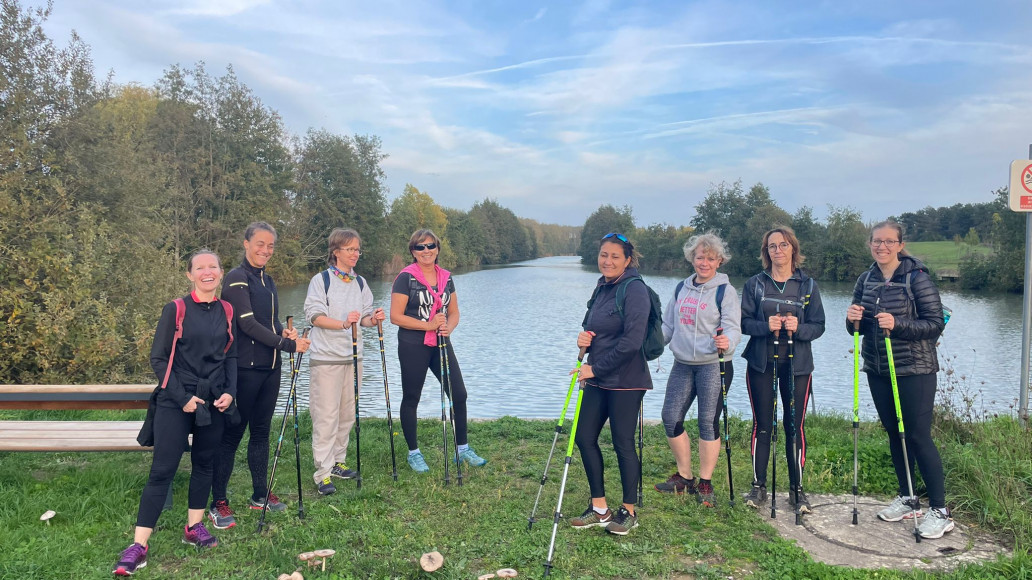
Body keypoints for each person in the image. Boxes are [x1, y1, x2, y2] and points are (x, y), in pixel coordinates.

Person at [114, 250, 238, 576]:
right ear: (190, 274)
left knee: (204, 464)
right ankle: (138, 546)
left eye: (213, 266)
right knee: (162, 470)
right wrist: (182, 398)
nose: (207, 272)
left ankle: (193, 528)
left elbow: (231, 357)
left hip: (213, 400)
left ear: (220, 271)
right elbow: (158, 358)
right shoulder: (176, 309)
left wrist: (230, 392)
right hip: (176, 398)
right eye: (200, 268)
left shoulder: (227, 310)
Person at [845, 221, 952, 539]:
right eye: (877, 241)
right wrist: (852, 320)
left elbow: (934, 323)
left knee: (918, 436)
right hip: (878, 367)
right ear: (870, 244)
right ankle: (908, 498)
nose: (882, 247)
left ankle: (940, 511)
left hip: (915, 369)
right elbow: (857, 329)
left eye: (889, 241)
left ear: (900, 245)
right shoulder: (866, 279)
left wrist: (898, 324)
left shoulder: (917, 278)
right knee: (895, 433)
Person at [210, 222, 310, 529]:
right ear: (246, 244)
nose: (265, 250)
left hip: (270, 368)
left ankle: (259, 494)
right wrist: (288, 344)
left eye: (270, 246)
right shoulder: (236, 278)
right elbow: (248, 324)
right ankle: (218, 501)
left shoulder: (268, 280)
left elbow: (270, 321)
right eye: (260, 244)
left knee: (261, 432)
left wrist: (283, 331)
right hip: (244, 369)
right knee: (232, 434)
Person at [567, 232, 652, 536]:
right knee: (584, 436)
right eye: (604, 254)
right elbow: (594, 327)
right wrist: (584, 339)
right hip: (597, 375)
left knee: (623, 443)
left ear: (627, 260)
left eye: (615, 256)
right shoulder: (602, 286)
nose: (608, 261)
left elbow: (632, 342)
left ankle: (628, 511)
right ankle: (600, 508)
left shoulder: (635, 289)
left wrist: (594, 369)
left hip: (627, 380)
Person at [740, 226, 825, 512]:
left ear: (793, 249)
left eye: (783, 245)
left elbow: (819, 326)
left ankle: (797, 490)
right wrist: (766, 326)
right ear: (766, 252)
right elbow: (743, 323)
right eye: (772, 246)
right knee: (762, 424)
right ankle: (758, 486)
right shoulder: (755, 284)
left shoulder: (808, 286)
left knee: (794, 426)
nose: (778, 250)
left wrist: (798, 328)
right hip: (761, 363)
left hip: (797, 365)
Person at [389, 229, 486, 473]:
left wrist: (447, 328)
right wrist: (428, 325)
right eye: (420, 247)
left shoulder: (446, 277)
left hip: (441, 342)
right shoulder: (405, 278)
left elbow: (454, 312)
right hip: (413, 344)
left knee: (459, 394)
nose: (426, 251)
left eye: (430, 246)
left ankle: (462, 449)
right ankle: (414, 453)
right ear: (413, 252)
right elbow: (395, 316)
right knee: (412, 397)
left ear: (437, 249)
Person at [654, 233, 741, 507]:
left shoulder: (725, 291)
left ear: (719, 261)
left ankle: (705, 482)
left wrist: (728, 342)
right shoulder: (681, 288)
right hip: (682, 364)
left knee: (707, 422)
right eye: (700, 257)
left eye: (710, 258)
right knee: (670, 417)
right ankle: (685, 476)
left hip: (713, 364)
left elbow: (733, 327)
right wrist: (650, 345)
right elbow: (668, 326)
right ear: (692, 258)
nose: (704, 263)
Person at [303, 228, 385, 495]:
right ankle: (322, 473)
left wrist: (374, 319)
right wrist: (342, 324)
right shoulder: (321, 280)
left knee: (347, 414)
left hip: (353, 357)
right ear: (336, 251)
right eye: (350, 249)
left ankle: (338, 461)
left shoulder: (360, 283)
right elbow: (314, 316)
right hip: (326, 358)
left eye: (357, 249)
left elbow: (364, 318)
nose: (355, 254)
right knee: (326, 416)